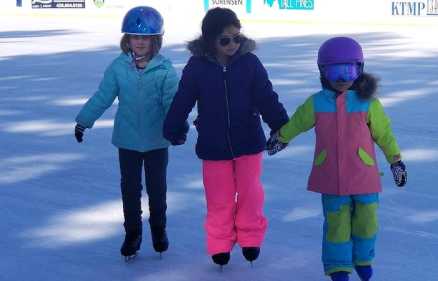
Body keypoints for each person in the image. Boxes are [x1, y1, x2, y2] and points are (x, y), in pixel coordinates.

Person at [266, 37, 408, 281]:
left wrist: (395, 160)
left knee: (367, 221)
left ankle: (363, 258)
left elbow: (384, 134)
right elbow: (298, 122)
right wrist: (283, 137)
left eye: (349, 70)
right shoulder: (317, 103)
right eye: (335, 71)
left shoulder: (368, 103)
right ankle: (338, 267)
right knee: (336, 225)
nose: (342, 78)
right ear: (323, 72)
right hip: (331, 176)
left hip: (364, 176)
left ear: (359, 70)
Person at [163, 7, 289, 267]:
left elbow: (266, 96)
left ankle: (250, 238)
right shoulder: (197, 67)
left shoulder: (250, 63)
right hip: (213, 145)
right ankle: (220, 244)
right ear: (210, 40)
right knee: (219, 198)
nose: (233, 44)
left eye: (237, 38)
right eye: (225, 40)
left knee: (251, 194)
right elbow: (183, 99)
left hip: (248, 141)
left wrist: (280, 125)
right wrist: (173, 127)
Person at [74, 6, 180, 260]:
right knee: (130, 189)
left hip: (156, 141)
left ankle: (158, 230)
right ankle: (132, 234)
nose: (140, 42)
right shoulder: (118, 67)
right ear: (127, 39)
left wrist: (177, 126)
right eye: (135, 37)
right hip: (128, 141)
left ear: (156, 40)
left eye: (145, 37)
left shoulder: (165, 69)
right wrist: (84, 120)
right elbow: (103, 96)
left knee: (157, 189)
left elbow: (173, 103)